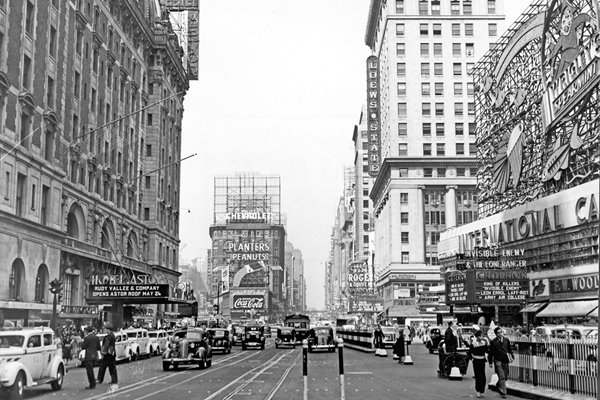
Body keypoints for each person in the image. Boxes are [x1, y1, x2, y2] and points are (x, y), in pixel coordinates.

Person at [488, 327, 514, 399]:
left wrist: (511, 357)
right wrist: (490, 362)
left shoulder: (506, 340)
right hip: (498, 360)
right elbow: (491, 353)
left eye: (501, 332)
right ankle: (503, 392)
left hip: (505, 360)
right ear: (496, 334)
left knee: (506, 376)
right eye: (498, 333)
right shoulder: (493, 342)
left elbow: (509, 349)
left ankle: (498, 385)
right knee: (501, 376)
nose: (500, 334)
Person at [468, 329, 489, 398]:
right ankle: (478, 391)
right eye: (480, 336)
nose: (482, 337)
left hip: (482, 360)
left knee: (483, 377)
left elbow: (487, 351)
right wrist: (472, 359)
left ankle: (482, 391)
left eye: (482, 336)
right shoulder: (473, 344)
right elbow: (469, 353)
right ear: (477, 337)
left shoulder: (483, 343)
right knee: (478, 376)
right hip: (476, 361)